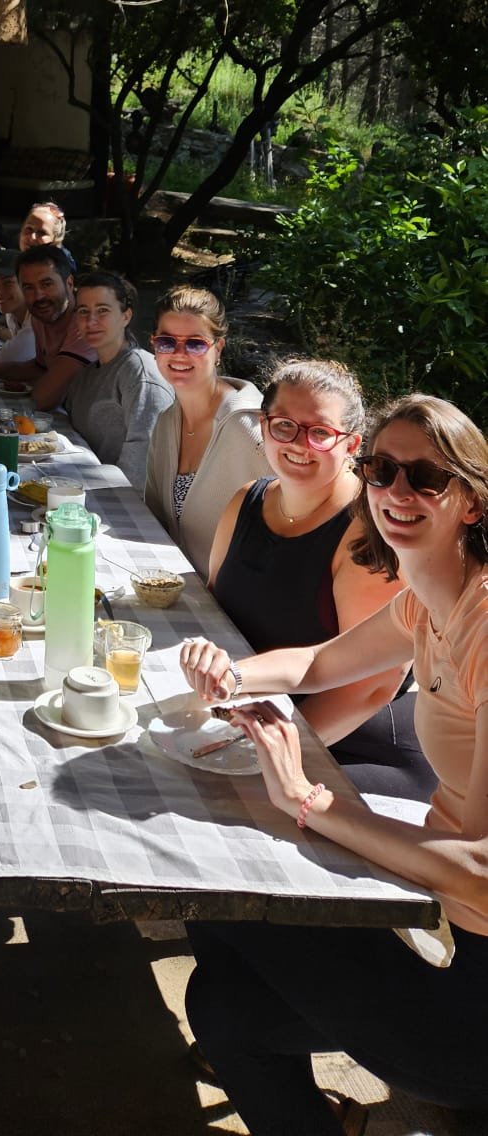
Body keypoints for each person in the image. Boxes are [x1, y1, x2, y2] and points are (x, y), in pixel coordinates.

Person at [180, 395, 488, 1133]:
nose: (396, 493)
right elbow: (320, 662)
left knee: (223, 888)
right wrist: (229, 674)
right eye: (380, 470)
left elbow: (480, 866)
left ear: (471, 501)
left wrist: (311, 799)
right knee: (221, 1008)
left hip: (472, 1013)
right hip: (452, 928)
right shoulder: (429, 597)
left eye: (426, 478)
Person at [206, 357, 433, 799]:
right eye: (284, 425)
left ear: (352, 445)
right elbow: (216, 614)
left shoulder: (370, 537)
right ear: (264, 426)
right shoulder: (244, 501)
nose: (299, 443)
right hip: (260, 715)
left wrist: (265, 752)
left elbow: (369, 687)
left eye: (320, 432)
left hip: (355, 742)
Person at [143, 284, 263, 578]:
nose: (179, 354)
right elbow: (155, 517)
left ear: (218, 348)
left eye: (195, 343)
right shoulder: (166, 423)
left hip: (235, 602)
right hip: (176, 585)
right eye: (167, 342)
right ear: (154, 345)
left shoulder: (249, 428)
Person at [63, 271, 173, 489]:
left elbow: (141, 469)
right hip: (85, 484)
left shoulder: (141, 375)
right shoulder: (86, 375)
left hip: (124, 500)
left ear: (126, 316)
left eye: (102, 311)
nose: (91, 321)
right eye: (83, 311)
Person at [0, 244, 95, 412]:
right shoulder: (42, 315)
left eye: (46, 284)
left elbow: (43, 399)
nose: (38, 296)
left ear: (69, 283)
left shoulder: (85, 323)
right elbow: (40, 367)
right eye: (29, 287)